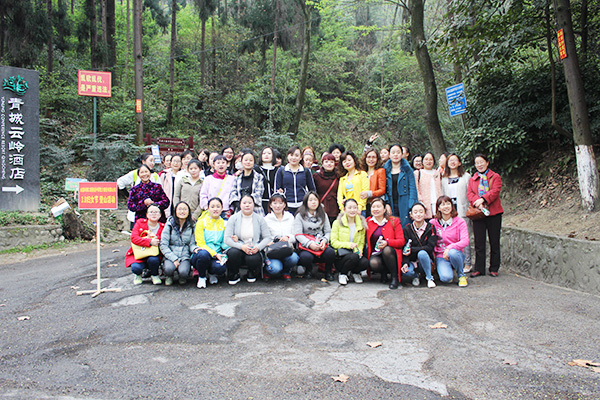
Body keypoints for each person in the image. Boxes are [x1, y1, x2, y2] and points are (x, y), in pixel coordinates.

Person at [467, 154, 503, 277]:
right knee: (479, 242)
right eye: (477, 163)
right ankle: (479, 268)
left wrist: (483, 199)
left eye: (481, 162)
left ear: (487, 162)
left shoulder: (495, 176)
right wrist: (477, 202)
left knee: (494, 241)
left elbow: (495, 191)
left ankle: (494, 267)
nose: (479, 165)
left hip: (494, 213)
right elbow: (470, 193)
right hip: (478, 214)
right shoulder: (473, 179)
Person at [224, 195, 272, 284]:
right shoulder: (233, 218)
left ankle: (251, 273)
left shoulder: (260, 219)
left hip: (253, 247)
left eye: (250, 203)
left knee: (253, 258)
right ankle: (234, 273)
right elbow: (227, 239)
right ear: (240, 205)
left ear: (254, 205)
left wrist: (258, 247)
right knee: (233, 253)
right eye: (244, 203)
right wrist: (241, 246)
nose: (247, 205)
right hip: (239, 247)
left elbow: (267, 237)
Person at [441, 153, 473, 272]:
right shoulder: (444, 178)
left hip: (462, 210)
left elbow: (470, 193)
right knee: (450, 237)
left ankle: (467, 263)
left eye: (455, 160)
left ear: (459, 163)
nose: (452, 162)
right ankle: (452, 262)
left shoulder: (466, 177)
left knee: (465, 237)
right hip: (448, 211)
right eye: (450, 160)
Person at [294, 191, 336, 280]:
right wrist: (309, 244)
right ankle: (308, 270)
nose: (313, 202)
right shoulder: (299, 216)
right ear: (306, 202)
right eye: (310, 200)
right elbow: (298, 234)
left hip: (320, 242)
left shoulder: (323, 215)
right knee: (306, 257)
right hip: (307, 245)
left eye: (315, 200)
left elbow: (328, 231)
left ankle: (328, 272)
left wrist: (324, 241)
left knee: (331, 253)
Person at [430, 195, 469, 287]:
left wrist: (449, 248)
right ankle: (446, 269)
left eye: (448, 204)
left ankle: (461, 275)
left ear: (452, 206)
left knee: (452, 253)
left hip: (456, 254)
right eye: (442, 205)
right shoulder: (433, 223)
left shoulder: (460, 222)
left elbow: (465, 241)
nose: (446, 207)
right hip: (441, 256)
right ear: (438, 208)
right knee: (446, 278)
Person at [366, 197, 405, 289]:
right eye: (373, 207)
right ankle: (383, 273)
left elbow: (401, 241)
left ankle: (394, 277)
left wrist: (387, 242)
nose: (376, 209)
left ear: (384, 209)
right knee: (373, 263)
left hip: (391, 253)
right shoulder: (368, 222)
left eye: (378, 207)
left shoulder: (394, 221)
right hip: (376, 253)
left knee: (387, 250)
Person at [160, 201, 201, 286]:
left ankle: (182, 276)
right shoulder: (169, 224)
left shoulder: (192, 225)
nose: (182, 211)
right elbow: (163, 244)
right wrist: (174, 258)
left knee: (183, 272)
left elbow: (192, 243)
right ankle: (169, 276)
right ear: (175, 211)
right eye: (180, 209)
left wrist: (195, 249)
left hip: (184, 255)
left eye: (185, 209)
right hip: (171, 254)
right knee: (168, 269)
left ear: (189, 212)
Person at [192, 197, 229, 288]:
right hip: (202, 253)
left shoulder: (225, 223)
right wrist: (215, 254)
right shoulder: (201, 222)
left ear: (222, 208)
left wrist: (232, 240)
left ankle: (212, 273)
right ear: (208, 208)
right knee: (203, 255)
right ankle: (202, 277)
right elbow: (201, 243)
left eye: (218, 206)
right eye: (212, 207)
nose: (215, 209)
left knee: (220, 268)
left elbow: (224, 244)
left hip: (217, 254)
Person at [331, 199, 368, 285]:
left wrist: (360, 251)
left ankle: (355, 272)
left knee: (365, 262)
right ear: (344, 209)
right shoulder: (337, 223)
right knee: (353, 257)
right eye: (350, 208)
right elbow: (333, 242)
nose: (352, 210)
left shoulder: (361, 224)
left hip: (354, 253)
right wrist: (348, 245)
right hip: (341, 256)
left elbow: (361, 242)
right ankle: (343, 274)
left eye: (355, 208)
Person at [125, 204, 164, 286]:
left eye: (156, 212)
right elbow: (134, 238)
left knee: (154, 260)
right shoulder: (140, 223)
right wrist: (149, 242)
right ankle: (138, 275)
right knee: (136, 267)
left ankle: (155, 275)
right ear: (146, 214)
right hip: (139, 253)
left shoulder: (163, 227)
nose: (154, 214)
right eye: (151, 212)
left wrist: (156, 239)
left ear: (160, 215)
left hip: (154, 254)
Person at [400, 202, 437, 288]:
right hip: (412, 260)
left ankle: (429, 278)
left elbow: (430, 247)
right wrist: (405, 263)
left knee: (422, 253)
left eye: (421, 211)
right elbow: (405, 248)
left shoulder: (430, 228)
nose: (418, 214)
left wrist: (412, 249)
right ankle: (416, 276)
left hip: (425, 259)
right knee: (407, 272)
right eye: (415, 212)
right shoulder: (407, 228)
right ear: (411, 215)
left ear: (425, 213)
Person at [263, 194, 299, 282]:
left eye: (280, 203)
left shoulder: (290, 217)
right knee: (275, 268)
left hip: (286, 248)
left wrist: (288, 237)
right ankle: (267, 271)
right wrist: (270, 242)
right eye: (274, 203)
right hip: (273, 250)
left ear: (285, 204)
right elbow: (263, 237)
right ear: (270, 205)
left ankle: (286, 271)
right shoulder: (266, 219)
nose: (277, 206)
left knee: (294, 258)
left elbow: (295, 235)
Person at [117, 154, 160, 226]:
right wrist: (128, 195)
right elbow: (120, 182)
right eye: (150, 160)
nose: (153, 163)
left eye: (154, 161)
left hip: (151, 213)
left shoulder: (155, 176)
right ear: (143, 161)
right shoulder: (134, 174)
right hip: (136, 213)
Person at [383, 144, 418, 227]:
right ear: (389, 155)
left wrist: (411, 206)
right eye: (393, 152)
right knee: (392, 225)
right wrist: (386, 203)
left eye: (398, 152)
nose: (395, 154)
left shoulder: (407, 169)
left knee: (405, 225)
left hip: (405, 202)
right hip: (391, 202)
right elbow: (383, 188)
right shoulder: (385, 170)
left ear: (402, 154)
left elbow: (412, 187)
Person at [275, 146, 316, 214]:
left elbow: (312, 189)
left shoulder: (305, 171)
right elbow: (277, 190)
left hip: (302, 205)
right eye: (291, 155)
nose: (293, 158)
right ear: (288, 156)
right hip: (286, 206)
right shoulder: (282, 171)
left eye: (296, 155)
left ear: (300, 158)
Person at [229, 151, 265, 215]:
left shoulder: (259, 177)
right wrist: (239, 204)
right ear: (242, 162)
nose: (248, 162)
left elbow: (259, 193)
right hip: (239, 211)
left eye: (251, 160)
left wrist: (247, 204)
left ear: (254, 162)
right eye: (246, 160)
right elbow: (233, 193)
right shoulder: (237, 178)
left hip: (256, 211)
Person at [337, 151, 370, 216]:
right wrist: (342, 208)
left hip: (360, 210)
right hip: (347, 210)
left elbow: (365, 192)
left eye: (349, 160)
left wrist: (359, 208)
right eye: (344, 161)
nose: (347, 163)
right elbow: (339, 196)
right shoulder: (342, 179)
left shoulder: (362, 174)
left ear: (354, 161)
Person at [313, 153, 340, 225]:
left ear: (335, 163)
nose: (329, 164)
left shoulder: (339, 176)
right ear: (322, 163)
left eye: (331, 162)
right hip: (321, 208)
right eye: (326, 161)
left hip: (335, 209)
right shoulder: (316, 176)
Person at [414, 152, 443, 219]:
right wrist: (421, 202)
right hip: (425, 205)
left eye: (431, 159)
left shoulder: (437, 173)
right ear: (422, 161)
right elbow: (416, 189)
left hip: (437, 204)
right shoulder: (418, 173)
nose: (428, 161)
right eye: (426, 159)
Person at [360, 148, 386, 216]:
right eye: (368, 157)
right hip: (362, 205)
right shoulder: (362, 172)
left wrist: (369, 193)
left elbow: (382, 190)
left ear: (377, 159)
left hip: (374, 204)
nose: (371, 159)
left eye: (373, 157)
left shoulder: (380, 171)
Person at [257, 146, 278, 214]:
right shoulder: (257, 170)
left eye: (269, 153)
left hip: (275, 203)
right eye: (264, 153)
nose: (266, 155)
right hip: (260, 202)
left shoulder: (278, 171)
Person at [160, 154, 182, 218]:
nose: (176, 163)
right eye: (174, 161)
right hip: (167, 204)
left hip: (179, 204)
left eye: (178, 161)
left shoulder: (183, 175)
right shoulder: (164, 175)